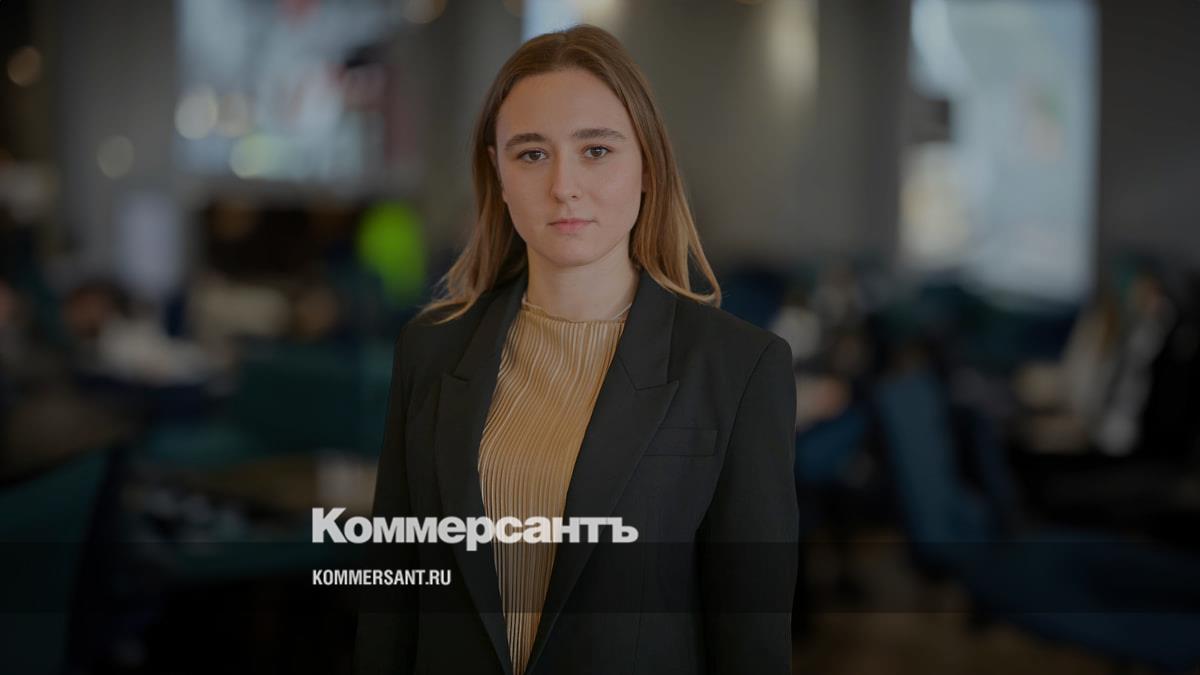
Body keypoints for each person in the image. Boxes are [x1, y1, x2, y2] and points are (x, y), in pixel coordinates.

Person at [354, 24, 798, 675]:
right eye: (532, 154)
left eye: (595, 150)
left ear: (647, 166)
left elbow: (750, 641)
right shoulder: (430, 350)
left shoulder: (738, 368)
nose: (563, 185)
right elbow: (393, 597)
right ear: (498, 174)